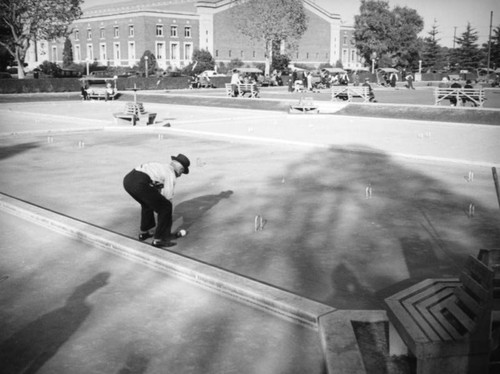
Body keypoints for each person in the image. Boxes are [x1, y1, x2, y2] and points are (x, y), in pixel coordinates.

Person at [123, 154, 191, 248]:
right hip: (139, 183)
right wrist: (166, 217)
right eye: (182, 172)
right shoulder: (170, 174)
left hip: (128, 180)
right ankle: (160, 239)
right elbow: (167, 198)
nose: (180, 175)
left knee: (147, 203)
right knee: (166, 207)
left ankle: (144, 233)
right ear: (181, 170)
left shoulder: (161, 167)